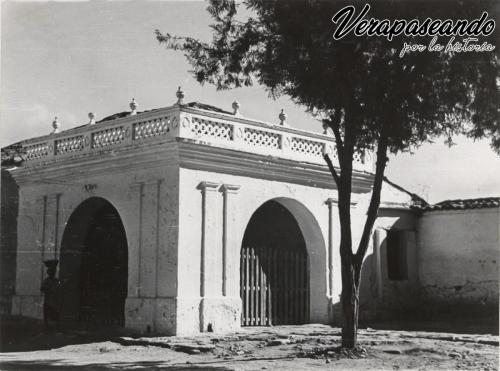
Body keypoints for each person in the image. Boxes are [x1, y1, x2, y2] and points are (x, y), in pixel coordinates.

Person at [40, 259, 61, 330]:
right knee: (47, 312)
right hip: (48, 299)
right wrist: (49, 290)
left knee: (55, 313)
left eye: (54, 272)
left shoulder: (57, 281)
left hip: (55, 299)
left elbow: (60, 288)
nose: (53, 273)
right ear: (49, 273)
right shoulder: (46, 281)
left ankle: (54, 326)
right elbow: (42, 289)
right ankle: (47, 326)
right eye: (51, 272)